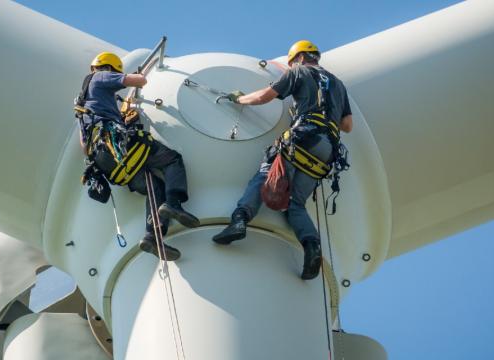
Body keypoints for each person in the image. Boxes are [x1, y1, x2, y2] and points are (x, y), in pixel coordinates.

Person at [212, 40, 353, 279]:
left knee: (265, 176)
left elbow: (265, 97)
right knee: (295, 204)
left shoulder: (297, 72)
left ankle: (239, 221)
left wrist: (239, 100)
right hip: (327, 151)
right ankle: (312, 246)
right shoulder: (338, 85)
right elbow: (347, 125)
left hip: (302, 137)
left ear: (298, 58)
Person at [76, 52, 200, 261]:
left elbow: (83, 145)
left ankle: (152, 236)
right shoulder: (101, 76)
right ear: (110, 68)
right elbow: (139, 80)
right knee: (172, 160)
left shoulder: (82, 103)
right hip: (118, 144)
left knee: (155, 186)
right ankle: (174, 204)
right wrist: (135, 76)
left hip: (105, 160)